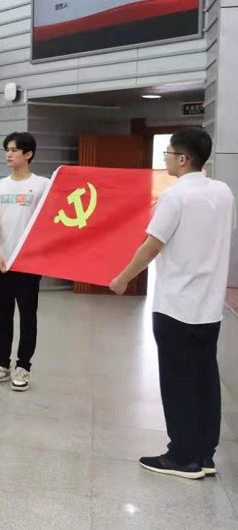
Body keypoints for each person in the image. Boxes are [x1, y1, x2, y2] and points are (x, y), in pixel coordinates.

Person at [110, 128, 234, 480]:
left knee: (177, 379)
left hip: (176, 306)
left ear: (183, 159)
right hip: (209, 307)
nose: (164, 157)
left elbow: (153, 244)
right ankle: (205, 454)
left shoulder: (175, 196)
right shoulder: (223, 192)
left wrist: (122, 278)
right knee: (205, 379)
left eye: (168, 152)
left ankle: (182, 456)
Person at [0, 132, 50, 391]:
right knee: (3, 315)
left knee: (28, 315)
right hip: (0, 261)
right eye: (7, 150)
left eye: (13, 150)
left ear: (28, 154)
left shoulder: (43, 185)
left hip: (29, 262)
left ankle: (23, 367)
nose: (8, 154)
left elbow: (49, 221)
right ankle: (1, 364)